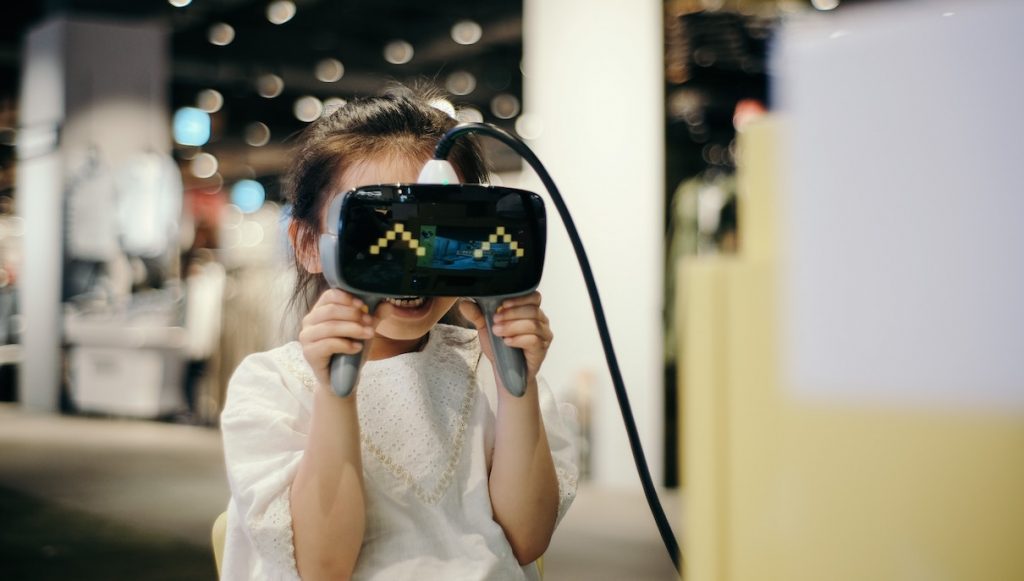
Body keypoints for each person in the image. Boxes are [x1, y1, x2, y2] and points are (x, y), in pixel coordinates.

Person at [219, 88, 579, 580]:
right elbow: (325, 566)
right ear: (308, 243)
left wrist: (516, 385)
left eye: (440, 234)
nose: (412, 266)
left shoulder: (485, 368)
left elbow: (526, 539)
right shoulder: (272, 387)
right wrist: (335, 393)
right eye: (383, 233)